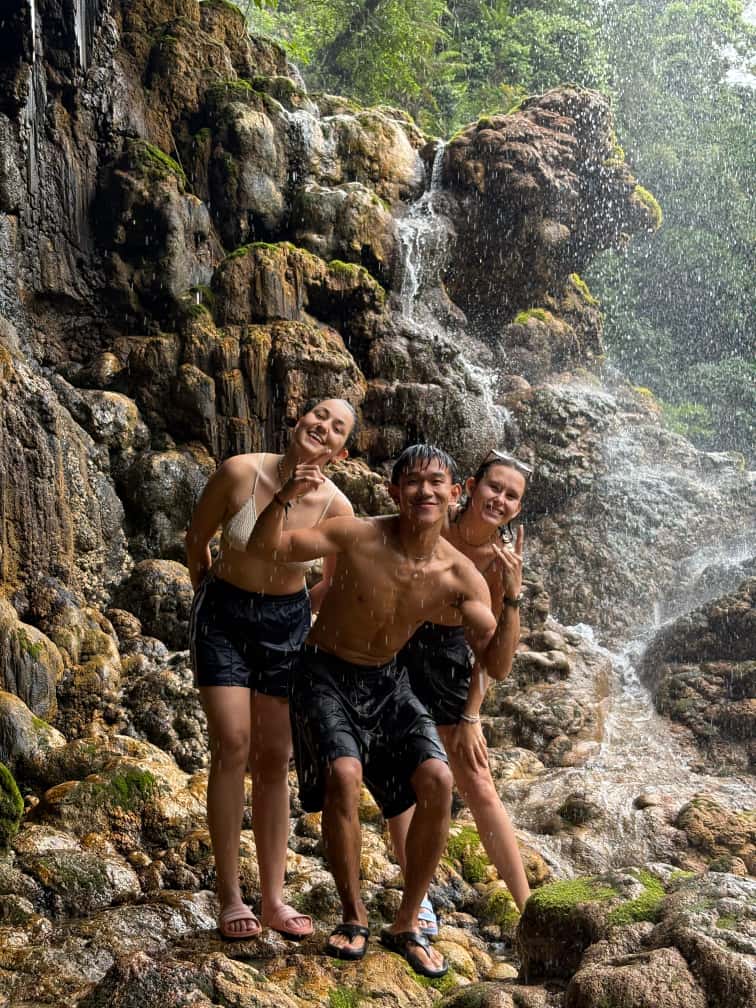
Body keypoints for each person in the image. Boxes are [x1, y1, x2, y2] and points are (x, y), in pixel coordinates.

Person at [247, 445, 497, 978]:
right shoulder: (357, 534)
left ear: (455, 494)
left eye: (436, 482)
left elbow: (494, 656)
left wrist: (512, 599)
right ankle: (353, 915)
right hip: (324, 672)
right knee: (344, 774)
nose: (425, 491)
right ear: (393, 491)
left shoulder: (459, 573)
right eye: (413, 481)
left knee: (438, 780)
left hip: (388, 680)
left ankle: (407, 922)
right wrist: (284, 499)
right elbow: (267, 546)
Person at [185, 398, 357, 941]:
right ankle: (230, 895)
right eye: (319, 416)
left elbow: (334, 580)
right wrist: (210, 598)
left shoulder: (337, 506)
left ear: (341, 452)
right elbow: (197, 541)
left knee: (275, 758)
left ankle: (275, 898)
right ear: (298, 420)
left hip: (286, 625)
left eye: (337, 428)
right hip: (223, 616)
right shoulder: (239, 472)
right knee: (232, 743)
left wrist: (301, 613)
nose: (323, 427)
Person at [389, 449, 533, 934]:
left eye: (511, 496)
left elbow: (491, 657)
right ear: (470, 487)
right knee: (406, 776)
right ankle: (418, 900)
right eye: (494, 487)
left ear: (517, 508)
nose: (500, 500)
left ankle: (529, 909)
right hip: (396, 644)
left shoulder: (499, 563)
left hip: (448, 657)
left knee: (479, 782)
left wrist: (472, 716)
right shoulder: (434, 516)